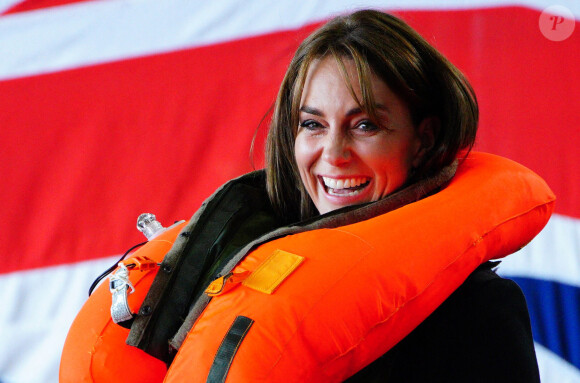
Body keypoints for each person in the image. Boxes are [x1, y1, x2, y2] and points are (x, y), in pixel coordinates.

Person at [61, 9, 549, 383]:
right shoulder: (219, 280)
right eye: (312, 124)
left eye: (365, 125)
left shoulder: (477, 310)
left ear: (422, 141)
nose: (333, 154)